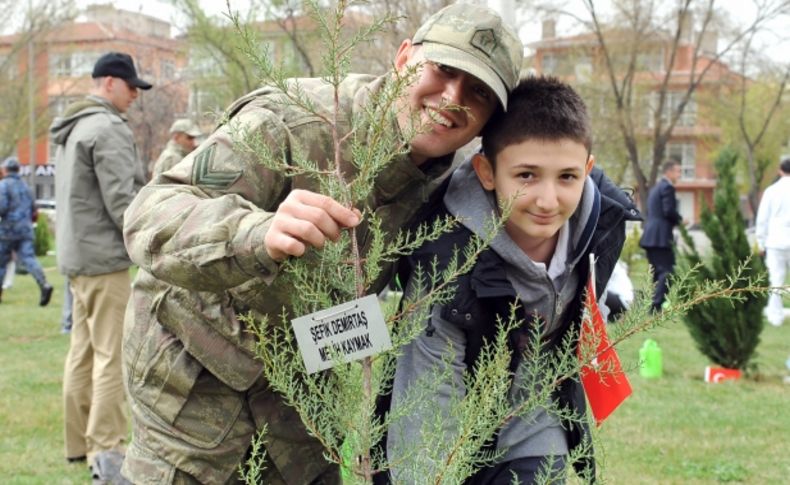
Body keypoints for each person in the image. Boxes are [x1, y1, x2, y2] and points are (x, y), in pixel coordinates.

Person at [120, 4, 523, 484]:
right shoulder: (294, 122)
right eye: (443, 69)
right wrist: (255, 232)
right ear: (403, 58)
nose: (453, 96)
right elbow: (151, 215)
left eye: (477, 91)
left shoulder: (449, 191)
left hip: (299, 416)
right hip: (190, 392)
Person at [382, 76, 640, 483]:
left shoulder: (603, 224)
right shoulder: (447, 259)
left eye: (567, 177)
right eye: (526, 176)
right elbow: (427, 395)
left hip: (533, 419)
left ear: (587, 171)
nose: (547, 200)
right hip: (445, 419)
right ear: (487, 172)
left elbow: (587, 311)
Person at [49, 51, 151, 481]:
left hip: (77, 257)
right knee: (112, 355)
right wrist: (152, 243)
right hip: (104, 259)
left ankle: (79, 444)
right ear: (109, 82)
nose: (134, 97)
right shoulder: (107, 128)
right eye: (131, 88)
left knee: (83, 352)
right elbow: (122, 202)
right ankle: (107, 449)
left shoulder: (73, 128)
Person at [0, 157, 54, 306]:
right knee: (29, 258)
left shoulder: (3, 185)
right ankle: (44, 284)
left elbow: (2, 207)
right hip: (25, 229)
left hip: (7, 230)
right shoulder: (26, 187)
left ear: (5, 170)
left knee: (1, 262)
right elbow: (34, 211)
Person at [640, 159, 683, 312]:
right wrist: (681, 220)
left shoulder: (656, 188)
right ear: (669, 172)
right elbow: (668, 211)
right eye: (678, 171)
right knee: (667, 271)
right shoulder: (667, 188)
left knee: (657, 271)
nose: (679, 174)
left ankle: (652, 305)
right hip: (661, 237)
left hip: (650, 235)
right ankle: (657, 305)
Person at [755, 158, 790, 327]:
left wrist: (760, 242)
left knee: (776, 280)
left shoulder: (771, 191)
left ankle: (775, 317)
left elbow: (762, 219)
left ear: (779, 170)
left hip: (775, 241)